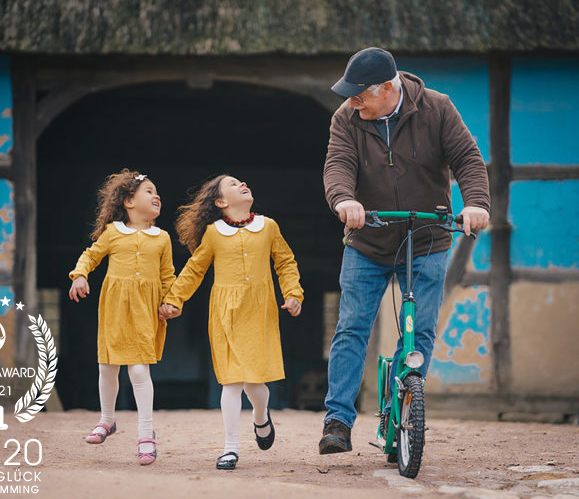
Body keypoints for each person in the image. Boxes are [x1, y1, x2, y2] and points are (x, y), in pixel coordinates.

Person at [320, 47, 490, 454]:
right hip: (368, 240)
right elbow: (338, 164)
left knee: (421, 330)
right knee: (352, 327)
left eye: (359, 95)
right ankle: (338, 420)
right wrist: (345, 200)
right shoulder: (347, 117)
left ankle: (402, 406)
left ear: (385, 89)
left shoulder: (437, 109)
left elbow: (467, 159)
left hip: (427, 237)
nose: (352, 102)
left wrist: (476, 204)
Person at [159, 175, 303, 470]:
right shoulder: (214, 233)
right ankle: (230, 447)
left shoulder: (269, 227)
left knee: (256, 384)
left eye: (242, 182)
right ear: (221, 202)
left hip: (258, 311)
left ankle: (261, 416)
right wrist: (174, 299)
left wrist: (293, 293)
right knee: (232, 381)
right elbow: (194, 270)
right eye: (234, 184)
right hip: (225, 313)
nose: (243, 184)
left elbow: (285, 262)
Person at [68, 169, 176, 466]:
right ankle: (107, 420)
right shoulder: (113, 232)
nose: (157, 196)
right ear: (129, 201)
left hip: (145, 310)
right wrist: (79, 276)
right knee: (108, 365)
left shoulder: (162, 238)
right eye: (149, 191)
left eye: (157, 193)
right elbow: (90, 256)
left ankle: (145, 434)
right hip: (114, 308)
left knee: (139, 370)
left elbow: (168, 276)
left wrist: (171, 301)